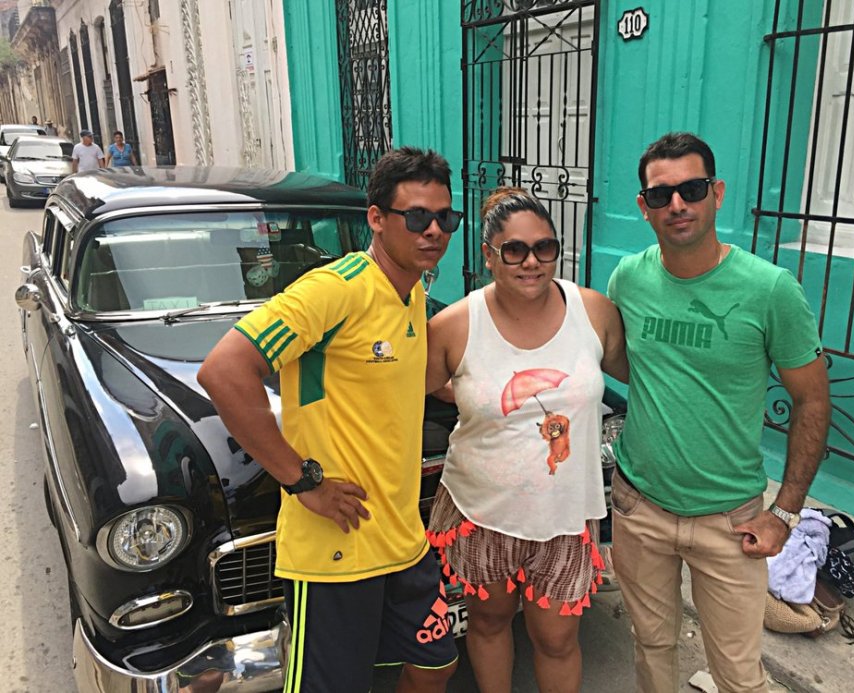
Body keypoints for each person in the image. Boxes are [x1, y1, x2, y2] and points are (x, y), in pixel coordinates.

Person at [198, 146, 460, 693]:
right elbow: (224, 371)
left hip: (402, 538)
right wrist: (301, 481)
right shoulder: (335, 289)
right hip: (337, 549)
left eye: (445, 218)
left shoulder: (412, 292)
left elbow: (406, 385)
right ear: (377, 219)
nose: (433, 230)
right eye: (416, 216)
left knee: (434, 663)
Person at [606, 132, 831, 693]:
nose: (677, 204)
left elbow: (813, 400)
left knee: (737, 673)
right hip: (640, 508)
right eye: (661, 195)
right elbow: (632, 366)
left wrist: (785, 513)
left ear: (717, 193)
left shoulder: (770, 289)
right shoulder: (628, 279)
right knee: (652, 650)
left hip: (731, 521)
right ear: (644, 206)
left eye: (692, 188)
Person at [425, 187, 627, 693]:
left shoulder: (595, 312)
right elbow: (416, 391)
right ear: (489, 255)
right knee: (489, 622)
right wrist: (472, 395)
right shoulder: (453, 326)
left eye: (545, 248)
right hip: (482, 509)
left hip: (563, 513)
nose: (531, 262)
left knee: (557, 638)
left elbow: (644, 377)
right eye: (514, 250)